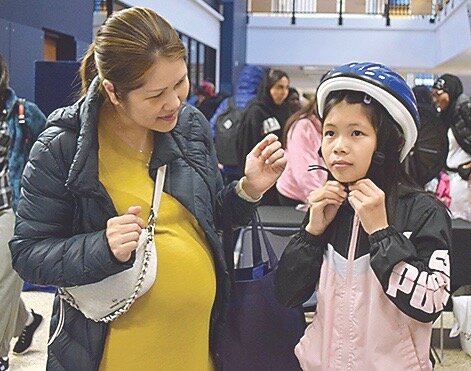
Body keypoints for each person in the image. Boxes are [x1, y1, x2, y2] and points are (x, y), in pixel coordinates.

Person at [8, 7, 285, 371]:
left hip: (197, 348)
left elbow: (212, 216)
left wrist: (248, 190)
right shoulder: (64, 146)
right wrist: (101, 247)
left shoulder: (189, 126)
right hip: (114, 353)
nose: (174, 103)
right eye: (156, 95)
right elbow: (29, 253)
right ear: (113, 91)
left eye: (180, 83)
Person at [275, 62, 451, 370]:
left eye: (356, 132)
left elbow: (431, 304)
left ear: (387, 142)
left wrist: (382, 233)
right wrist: (310, 235)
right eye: (330, 133)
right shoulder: (327, 207)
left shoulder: (424, 210)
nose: (339, 147)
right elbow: (287, 294)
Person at [0, 54, 45, 371]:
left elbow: (52, 148)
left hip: (10, 207)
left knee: (3, 281)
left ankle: (1, 351)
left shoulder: (22, 112)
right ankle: (27, 320)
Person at [237, 68, 291, 205]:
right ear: (268, 88)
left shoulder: (286, 110)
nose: (283, 92)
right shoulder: (255, 112)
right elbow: (245, 146)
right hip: (260, 176)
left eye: (286, 88)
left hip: (282, 176)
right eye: (279, 87)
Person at [209, 64, 267, 183]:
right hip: (251, 162)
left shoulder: (228, 102)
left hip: (227, 161)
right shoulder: (259, 105)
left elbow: (211, 128)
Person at [432, 74, 471, 221]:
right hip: (450, 181)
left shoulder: (465, 109)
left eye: (438, 94)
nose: (435, 100)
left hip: (466, 182)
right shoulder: (445, 117)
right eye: (433, 95)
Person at [276, 98, 327, 206]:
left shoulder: (323, 127)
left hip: (317, 189)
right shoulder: (303, 127)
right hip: (295, 195)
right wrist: (319, 201)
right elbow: (304, 171)